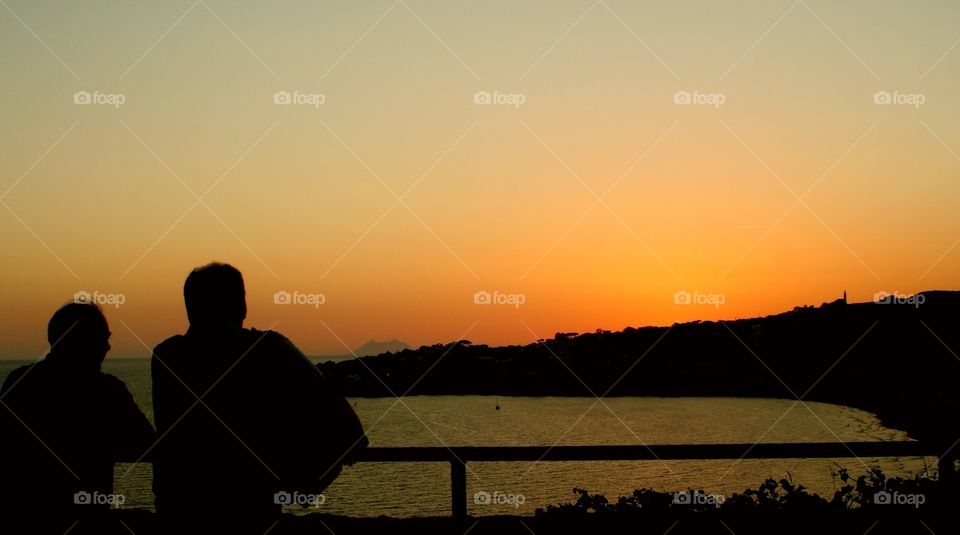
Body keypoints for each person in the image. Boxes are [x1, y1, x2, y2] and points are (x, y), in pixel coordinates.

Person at [151, 262, 367, 532]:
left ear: (189, 306)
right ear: (241, 306)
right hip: (251, 517)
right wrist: (304, 487)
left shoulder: (165, 356)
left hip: (176, 517)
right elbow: (350, 432)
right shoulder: (268, 349)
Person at [0, 302, 155, 534]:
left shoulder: (19, 381)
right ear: (80, 341)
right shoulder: (107, 390)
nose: (107, 346)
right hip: (88, 522)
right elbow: (146, 446)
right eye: (101, 338)